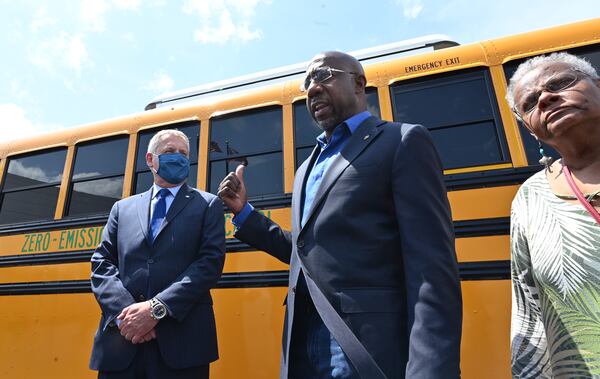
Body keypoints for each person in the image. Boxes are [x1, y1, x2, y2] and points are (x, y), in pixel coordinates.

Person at [218, 51, 462, 378]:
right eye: (306, 83)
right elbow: (307, 253)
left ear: (359, 83)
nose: (312, 89)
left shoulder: (400, 141)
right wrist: (245, 213)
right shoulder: (307, 168)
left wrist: (431, 371)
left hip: (364, 343)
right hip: (304, 341)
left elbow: (431, 268)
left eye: (323, 76)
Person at [89, 129, 225, 379]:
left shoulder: (208, 205)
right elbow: (102, 263)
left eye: (183, 153)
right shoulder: (122, 208)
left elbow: (209, 264)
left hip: (182, 347)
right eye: (170, 152)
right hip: (123, 342)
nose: (178, 157)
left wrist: (156, 309)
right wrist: (128, 316)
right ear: (151, 160)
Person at [506, 52, 600, 378]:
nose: (545, 98)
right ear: (531, 131)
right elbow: (528, 310)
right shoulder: (530, 200)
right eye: (530, 103)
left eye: (561, 82)